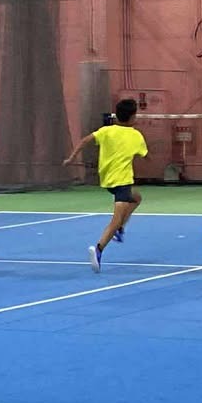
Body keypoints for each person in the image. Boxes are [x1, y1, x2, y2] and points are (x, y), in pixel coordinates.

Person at [67, 97, 149, 272]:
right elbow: (145, 155)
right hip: (122, 181)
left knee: (136, 198)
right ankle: (99, 249)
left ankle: (120, 229)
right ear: (133, 117)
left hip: (107, 181)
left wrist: (71, 158)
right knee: (116, 219)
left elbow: (84, 141)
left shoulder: (106, 131)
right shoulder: (136, 136)